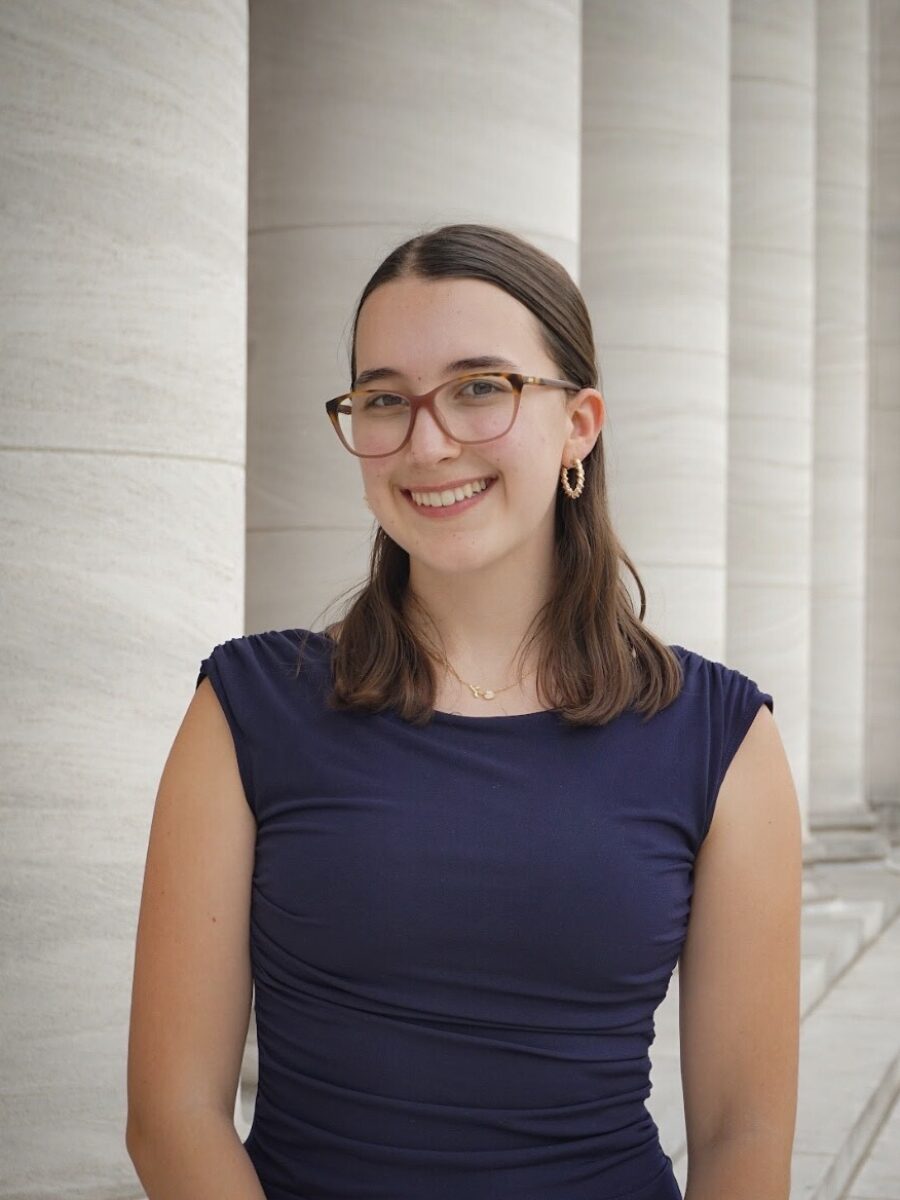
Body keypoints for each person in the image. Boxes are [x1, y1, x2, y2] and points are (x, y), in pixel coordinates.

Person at [126, 223, 802, 1200]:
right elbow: (173, 1117)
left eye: (480, 387)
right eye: (384, 399)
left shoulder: (720, 739)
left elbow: (745, 1136)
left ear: (579, 424)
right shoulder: (246, 710)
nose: (428, 442)